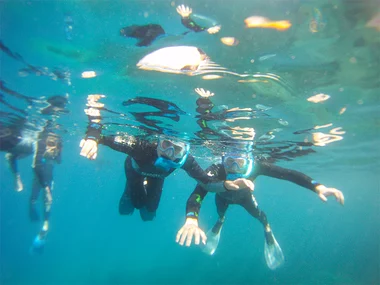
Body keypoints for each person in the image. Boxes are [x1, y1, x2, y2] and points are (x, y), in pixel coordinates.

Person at [79, 95, 253, 221]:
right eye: (165, 146)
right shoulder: (142, 148)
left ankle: (143, 193)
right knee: (133, 204)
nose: (169, 153)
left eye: (176, 150)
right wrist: (93, 138)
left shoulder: (187, 161)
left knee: (150, 212)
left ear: (185, 151)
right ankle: (130, 190)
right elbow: (106, 137)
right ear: (158, 142)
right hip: (135, 170)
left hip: (158, 177)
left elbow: (206, 182)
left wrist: (225, 185)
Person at [119, 5, 220, 47]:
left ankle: (133, 33)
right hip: (167, 39)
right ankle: (133, 33)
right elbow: (196, 30)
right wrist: (186, 18)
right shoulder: (203, 34)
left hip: (165, 41)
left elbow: (197, 31)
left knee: (154, 32)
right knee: (156, 30)